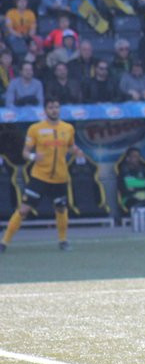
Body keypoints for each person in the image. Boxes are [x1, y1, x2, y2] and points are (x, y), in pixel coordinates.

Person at [1, 98, 85, 253]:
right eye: (51, 107)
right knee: (24, 209)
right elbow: (25, 152)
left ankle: (63, 240)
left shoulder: (68, 128)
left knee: (61, 208)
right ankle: (4, 242)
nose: (54, 110)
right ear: (45, 110)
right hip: (40, 176)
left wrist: (77, 151)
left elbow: (71, 146)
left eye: (57, 107)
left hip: (60, 177)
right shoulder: (35, 129)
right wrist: (33, 157)